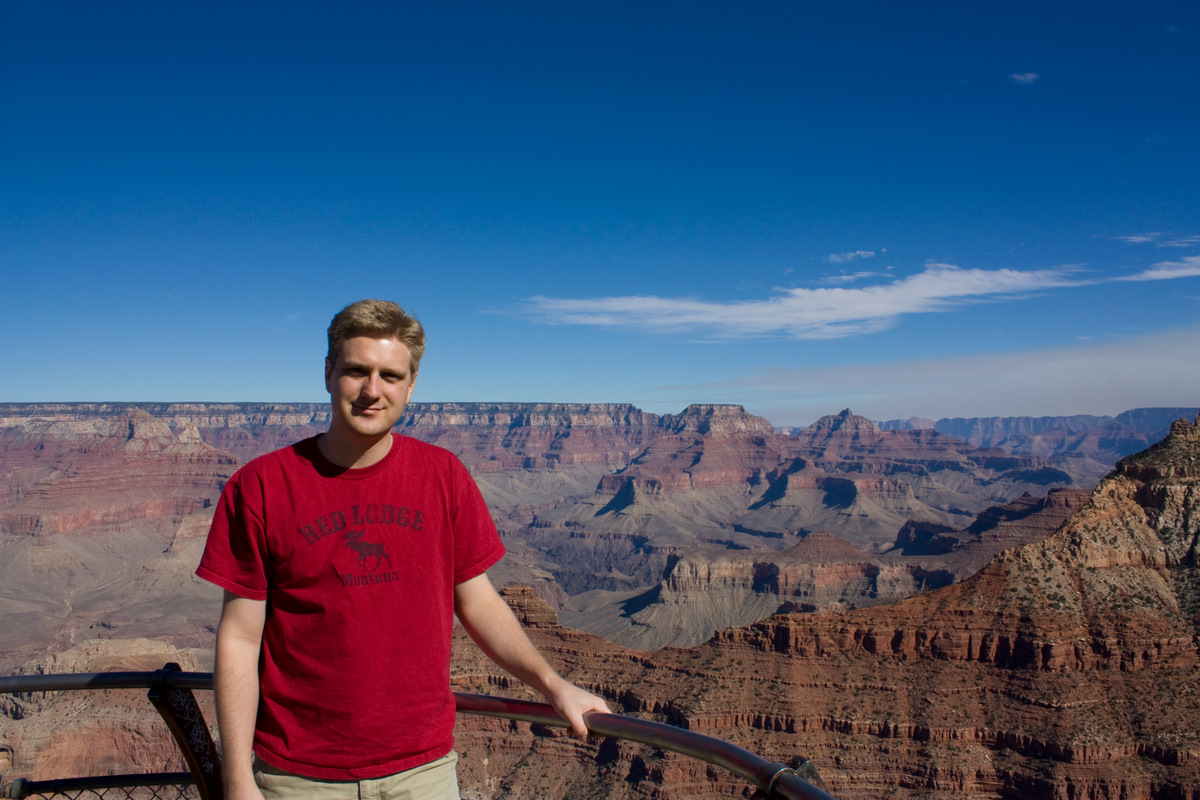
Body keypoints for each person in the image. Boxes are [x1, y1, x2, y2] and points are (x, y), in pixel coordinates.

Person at [196, 299, 610, 800]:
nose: (373, 391)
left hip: (423, 772)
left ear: (411, 385)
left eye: (390, 376)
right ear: (328, 373)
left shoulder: (443, 476)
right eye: (356, 371)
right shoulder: (260, 486)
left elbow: (478, 602)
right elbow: (239, 638)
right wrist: (238, 778)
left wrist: (553, 685)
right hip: (298, 778)